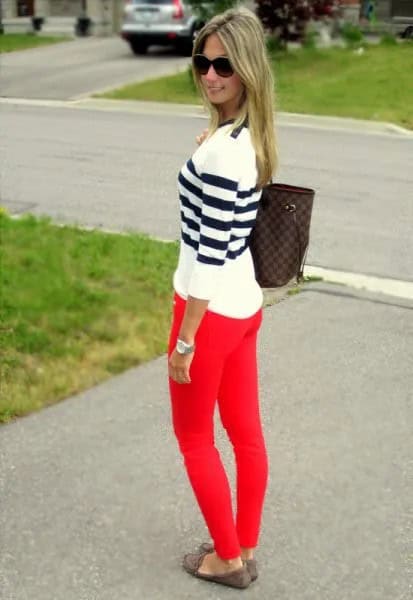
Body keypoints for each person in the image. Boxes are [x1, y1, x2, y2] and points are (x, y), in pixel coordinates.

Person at [167, 6, 277, 590]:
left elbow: (207, 251)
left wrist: (185, 338)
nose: (210, 75)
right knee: (245, 433)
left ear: (248, 70)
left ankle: (227, 561)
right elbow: (228, 219)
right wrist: (207, 146)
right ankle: (245, 544)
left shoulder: (223, 152)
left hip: (207, 311)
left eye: (224, 66)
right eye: (203, 61)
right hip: (246, 305)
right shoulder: (248, 134)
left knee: (193, 437)